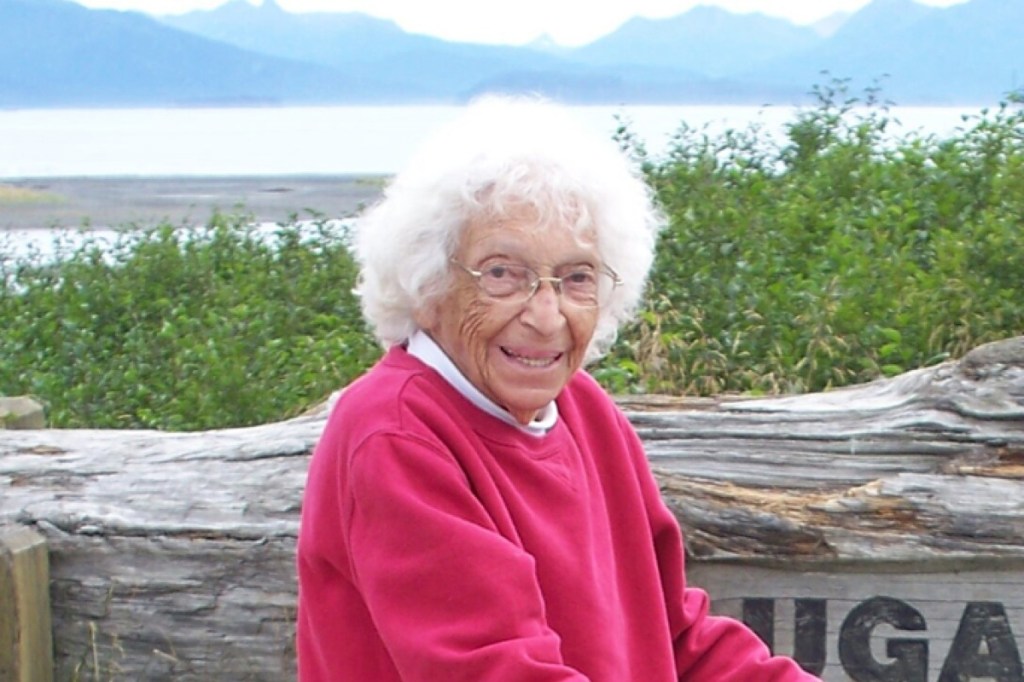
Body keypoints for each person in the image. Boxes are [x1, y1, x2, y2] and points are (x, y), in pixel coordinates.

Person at [296, 95, 819, 681]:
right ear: (428, 285)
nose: (546, 316)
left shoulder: (583, 410)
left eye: (576, 278)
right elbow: (498, 671)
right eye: (503, 273)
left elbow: (673, 638)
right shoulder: (396, 434)